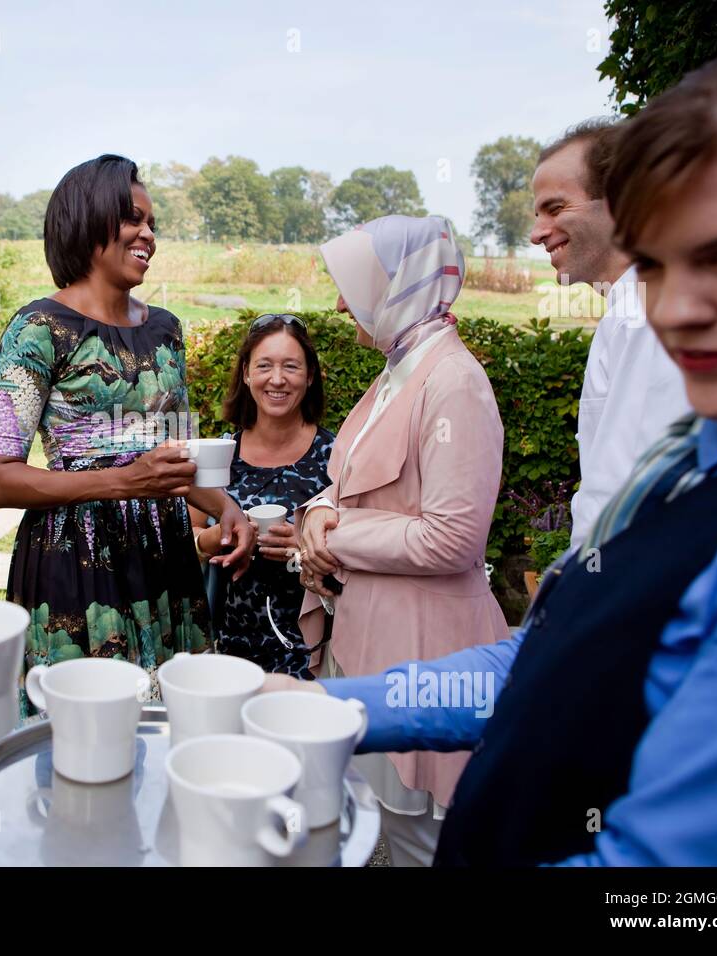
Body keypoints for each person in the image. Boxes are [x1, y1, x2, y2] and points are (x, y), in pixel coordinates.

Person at [268, 39, 717, 866]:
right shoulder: (701, 462)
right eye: (656, 266)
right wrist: (339, 706)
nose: (679, 310)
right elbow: (556, 646)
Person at [0, 154, 254, 710]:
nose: (148, 235)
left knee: (175, 722)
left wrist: (227, 509)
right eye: (132, 219)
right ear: (87, 219)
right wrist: (126, 481)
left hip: (165, 560)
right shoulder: (38, 330)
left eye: (152, 223)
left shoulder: (166, 331)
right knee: (86, 733)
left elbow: (174, 460)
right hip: (75, 563)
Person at [294, 215, 508, 865]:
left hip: (424, 651)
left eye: (352, 286)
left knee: (416, 847)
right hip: (373, 642)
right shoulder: (400, 370)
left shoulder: (454, 381)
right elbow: (354, 477)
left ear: (398, 285)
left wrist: (338, 533)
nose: (338, 303)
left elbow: (453, 538)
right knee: (375, 832)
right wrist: (320, 512)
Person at [530, 118, 690, 542]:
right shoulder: (636, 305)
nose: (535, 233)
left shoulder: (643, 314)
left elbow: (622, 493)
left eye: (555, 208)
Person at [187, 314, 334, 678]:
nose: (278, 379)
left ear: (310, 376)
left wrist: (305, 548)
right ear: (247, 374)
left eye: (291, 367)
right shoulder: (219, 454)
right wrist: (219, 537)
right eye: (264, 366)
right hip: (225, 654)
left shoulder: (338, 457)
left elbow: (360, 552)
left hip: (309, 654)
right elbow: (187, 543)